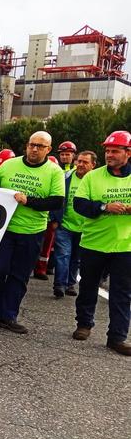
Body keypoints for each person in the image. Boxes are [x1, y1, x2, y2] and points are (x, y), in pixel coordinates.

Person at [0, 131, 65, 333]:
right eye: (31, 144)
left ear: (48, 150)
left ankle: (8, 316)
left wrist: (29, 201)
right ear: (26, 145)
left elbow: (56, 201)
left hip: (32, 232)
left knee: (19, 276)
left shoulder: (54, 171)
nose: (34, 149)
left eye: (40, 146)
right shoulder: (10, 164)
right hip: (4, 230)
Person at [72, 130, 131, 356]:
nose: (109, 154)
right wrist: (105, 207)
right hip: (93, 243)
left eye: (115, 150)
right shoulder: (93, 176)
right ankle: (84, 324)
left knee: (122, 293)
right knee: (88, 286)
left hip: (125, 246)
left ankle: (117, 337)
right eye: (107, 150)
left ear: (128, 153)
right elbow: (79, 205)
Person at [51, 150, 95, 298]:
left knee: (76, 258)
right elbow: (57, 198)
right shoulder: (66, 177)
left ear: (93, 165)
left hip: (85, 228)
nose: (80, 164)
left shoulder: (94, 181)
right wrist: (55, 219)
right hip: (65, 225)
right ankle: (60, 285)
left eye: (85, 162)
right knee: (63, 255)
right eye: (79, 161)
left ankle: (70, 284)